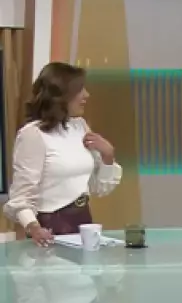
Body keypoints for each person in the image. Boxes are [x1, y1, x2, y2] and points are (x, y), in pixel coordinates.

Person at [3, 62, 123, 247]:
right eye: (80, 90)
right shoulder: (33, 134)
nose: (86, 95)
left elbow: (98, 188)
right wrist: (33, 227)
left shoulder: (79, 126)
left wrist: (108, 155)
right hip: (50, 226)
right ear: (61, 95)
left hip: (83, 220)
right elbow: (21, 195)